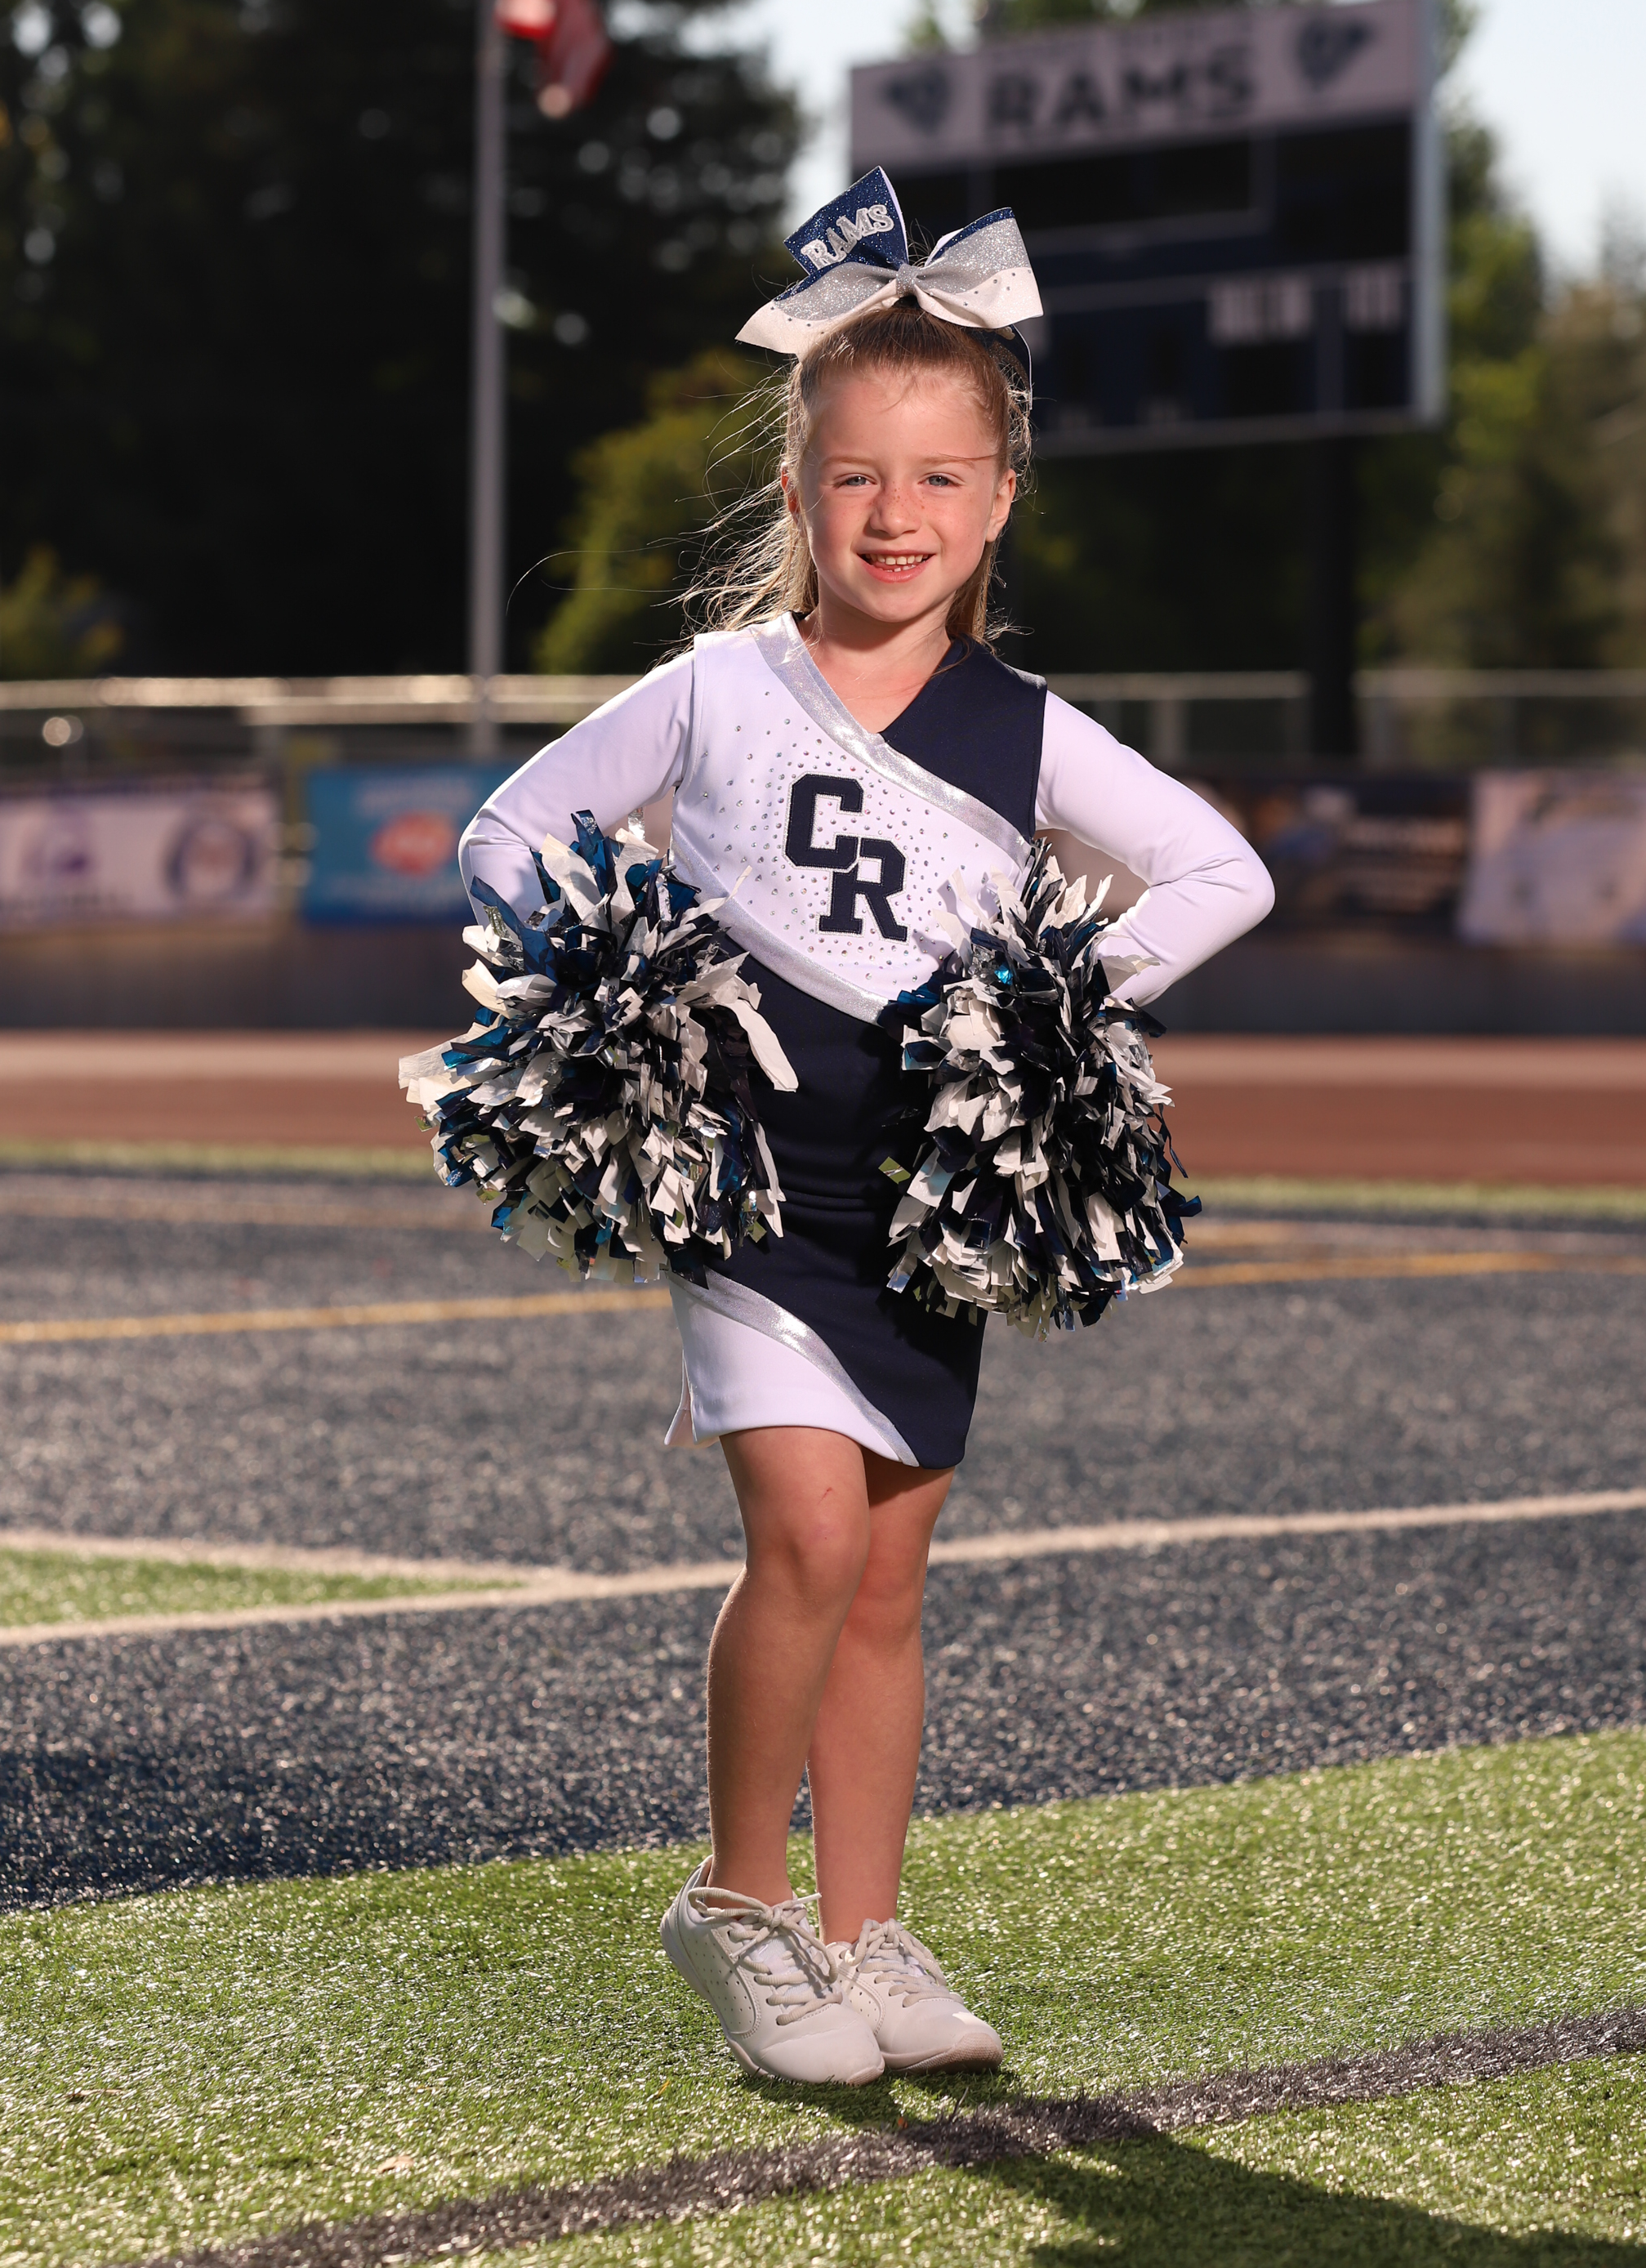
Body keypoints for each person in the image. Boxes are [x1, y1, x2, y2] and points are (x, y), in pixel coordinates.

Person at [460, 171, 1274, 2087]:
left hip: (925, 1202)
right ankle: (740, 1903)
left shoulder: (1024, 723)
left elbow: (1220, 869)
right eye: (854, 477)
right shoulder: (716, 689)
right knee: (810, 1533)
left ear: (995, 502)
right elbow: (509, 828)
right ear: (797, 489)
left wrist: (1053, 1003)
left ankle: (863, 1930)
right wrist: (608, 978)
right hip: (748, 1181)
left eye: (936, 478)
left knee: (890, 1574)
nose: (894, 513)